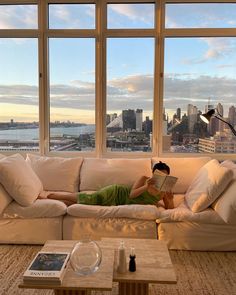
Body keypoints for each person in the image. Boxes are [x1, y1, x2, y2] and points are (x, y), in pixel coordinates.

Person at [40, 161, 174, 209]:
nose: (162, 178)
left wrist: (171, 199)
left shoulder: (164, 190)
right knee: (87, 199)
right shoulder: (144, 179)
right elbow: (132, 195)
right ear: (153, 173)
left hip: (119, 201)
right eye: (158, 174)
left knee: (81, 202)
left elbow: (169, 208)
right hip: (116, 193)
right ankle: (49, 196)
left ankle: (52, 199)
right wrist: (146, 186)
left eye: (164, 175)